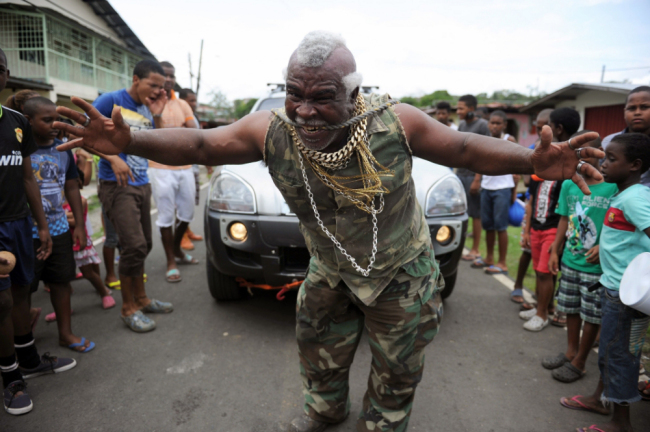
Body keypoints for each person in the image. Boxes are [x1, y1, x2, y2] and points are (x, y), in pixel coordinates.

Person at [54, 31, 604, 432]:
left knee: (397, 366)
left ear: (353, 92)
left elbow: (463, 148)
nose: (307, 110)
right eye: (296, 93)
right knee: (318, 347)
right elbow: (202, 144)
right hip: (330, 266)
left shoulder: (395, 121)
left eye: (323, 97)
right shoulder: (273, 129)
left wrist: (531, 162)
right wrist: (131, 143)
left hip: (401, 272)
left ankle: (384, 423)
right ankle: (325, 410)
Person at [0, 48, 76, 416]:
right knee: (1, 302)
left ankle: (28, 359)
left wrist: (43, 225)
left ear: (7, 73)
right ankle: (11, 378)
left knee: (17, 295)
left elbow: (27, 176)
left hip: (20, 224)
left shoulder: (16, 122)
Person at [570, 133, 650, 432]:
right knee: (610, 352)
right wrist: (602, 249)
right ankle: (600, 399)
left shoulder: (636, 198)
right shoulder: (624, 194)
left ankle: (621, 423)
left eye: (611, 160)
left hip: (626, 295)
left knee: (619, 357)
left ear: (635, 165)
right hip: (614, 289)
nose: (603, 164)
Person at [92, 59, 173, 332]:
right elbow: (88, 136)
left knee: (145, 245)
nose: (156, 91)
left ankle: (142, 298)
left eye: (161, 87)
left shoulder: (147, 108)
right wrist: (114, 159)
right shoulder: (110, 100)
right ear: (136, 79)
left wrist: (158, 113)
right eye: (152, 85)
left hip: (141, 183)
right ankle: (128, 308)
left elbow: (159, 144)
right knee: (133, 246)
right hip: (117, 184)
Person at [23, 96, 95, 354]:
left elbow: (72, 186)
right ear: (29, 121)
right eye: (46, 120)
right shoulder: (20, 150)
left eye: (56, 119)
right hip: (26, 232)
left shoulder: (64, 150)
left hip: (59, 228)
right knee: (24, 288)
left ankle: (65, 333)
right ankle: (21, 340)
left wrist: (79, 226)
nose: (54, 124)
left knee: (62, 281)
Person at [543, 131, 616, 384]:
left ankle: (581, 361)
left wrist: (604, 245)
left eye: (588, 153)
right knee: (571, 308)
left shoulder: (612, 188)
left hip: (595, 267)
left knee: (592, 314)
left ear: (600, 154)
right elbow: (564, 218)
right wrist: (555, 250)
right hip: (570, 261)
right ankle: (570, 351)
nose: (582, 159)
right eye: (577, 154)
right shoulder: (567, 184)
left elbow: (617, 224)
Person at [519, 108, 580, 331]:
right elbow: (532, 194)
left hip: (554, 226)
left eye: (548, 126)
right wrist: (526, 229)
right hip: (537, 224)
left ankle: (542, 314)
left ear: (558, 129)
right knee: (540, 270)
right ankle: (545, 307)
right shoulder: (542, 154)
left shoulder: (572, 162)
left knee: (545, 271)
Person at [149, 61, 199, 283]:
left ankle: (177, 249)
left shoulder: (182, 105)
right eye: (164, 75)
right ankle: (171, 259)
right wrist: (160, 119)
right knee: (166, 216)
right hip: (159, 168)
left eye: (171, 75)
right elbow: (153, 137)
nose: (168, 79)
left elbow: (194, 133)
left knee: (187, 213)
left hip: (184, 166)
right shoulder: (147, 103)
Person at [512, 108, 554, 303]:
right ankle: (518, 285)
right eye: (537, 128)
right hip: (533, 206)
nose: (540, 133)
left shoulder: (560, 151)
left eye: (544, 128)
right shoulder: (532, 148)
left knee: (547, 263)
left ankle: (542, 302)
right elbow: (528, 181)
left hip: (552, 215)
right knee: (527, 251)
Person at [473, 110, 517, 275]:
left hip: (502, 189)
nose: (494, 126)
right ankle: (489, 258)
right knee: (488, 226)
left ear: (504, 125)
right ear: (488, 124)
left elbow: (517, 166)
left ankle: (502, 262)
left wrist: (513, 193)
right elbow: (480, 162)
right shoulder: (486, 140)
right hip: (487, 188)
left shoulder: (509, 140)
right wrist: (477, 180)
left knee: (501, 227)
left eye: (498, 123)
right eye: (492, 122)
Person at [456, 94, 491, 262]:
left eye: (461, 108)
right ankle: (461, 248)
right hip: (460, 174)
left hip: (473, 176)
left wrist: (478, 179)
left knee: (476, 214)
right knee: (462, 212)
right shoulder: (462, 124)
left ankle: (476, 249)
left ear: (471, 109)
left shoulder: (483, 125)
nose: (458, 111)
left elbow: (486, 154)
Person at [602, 86, 650, 187]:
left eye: (644, 107)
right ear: (624, 112)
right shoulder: (609, 141)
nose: (637, 113)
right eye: (631, 108)